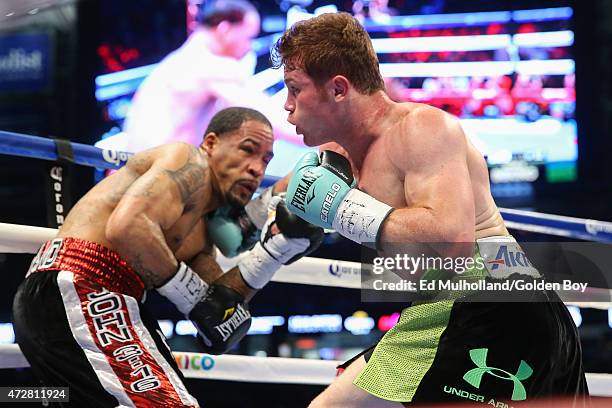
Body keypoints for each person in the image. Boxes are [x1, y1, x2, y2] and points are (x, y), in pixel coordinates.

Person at [273, 13, 589, 407]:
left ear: (338, 89)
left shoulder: (421, 128)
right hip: (440, 312)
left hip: (499, 299)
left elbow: (451, 242)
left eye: (294, 89)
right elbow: (270, 210)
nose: (286, 106)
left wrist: (341, 209)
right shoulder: (332, 159)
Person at [12, 107, 323, 407]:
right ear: (211, 143)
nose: (257, 168)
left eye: (266, 160)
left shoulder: (200, 233)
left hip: (100, 301)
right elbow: (127, 227)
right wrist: (190, 295)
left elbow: (218, 319)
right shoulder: (187, 161)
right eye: (247, 150)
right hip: (77, 286)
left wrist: (275, 251)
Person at [123, 0, 299, 153]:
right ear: (225, 29)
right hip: (163, 179)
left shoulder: (182, 59)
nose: (248, 47)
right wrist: (324, 136)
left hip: (146, 173)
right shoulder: (210, 65)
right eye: (248, 37)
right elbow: (270, 120)